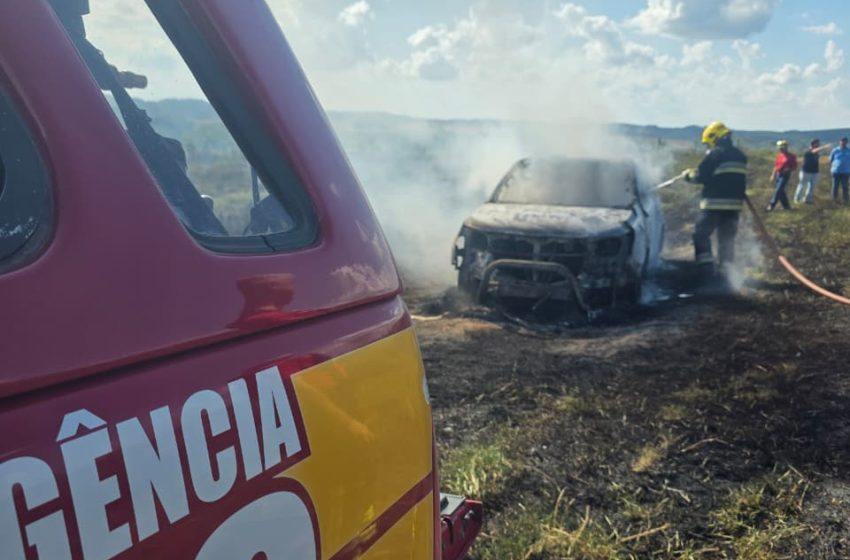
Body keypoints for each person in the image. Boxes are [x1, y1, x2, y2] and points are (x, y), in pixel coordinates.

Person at [683, 121, 747, 281]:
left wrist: (688, 175)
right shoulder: (740, 155)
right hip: (734, 207)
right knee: (726, 239)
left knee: (700, 235)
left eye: (708, 143)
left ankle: (705, 272)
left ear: (714, 137)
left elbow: (701, 176)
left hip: (713, 205)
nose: (708, 147)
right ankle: (727, 272)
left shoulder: (715, 154)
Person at [795, 139, 831, 204]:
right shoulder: (808, 151)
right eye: (817, 143)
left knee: (812, 187)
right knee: (802, 186)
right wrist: (824, 147)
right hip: (806, 172)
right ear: (813, 144)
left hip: (815, 172)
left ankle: (807, 199)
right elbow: (813, 151)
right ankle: (797, 199)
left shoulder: (817, 153)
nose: (818, 145)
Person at [767, 140, 797, 211]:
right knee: (781, 191)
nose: (780, 149)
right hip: (778, 175)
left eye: (781, 148)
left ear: (785, 147)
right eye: (779, 148)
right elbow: (776, 166)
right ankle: (786, 206)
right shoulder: (779, 156)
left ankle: (771, 205)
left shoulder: (791, 156)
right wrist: (773, 175)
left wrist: (788, 169)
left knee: (778, 190)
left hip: (785, 175)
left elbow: (794, 167)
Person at [831, 136, 850, 203]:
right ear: (839, 142)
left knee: (845, 187)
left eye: (844, 141)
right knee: (835, 186)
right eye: (842, 141)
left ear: (847, 142)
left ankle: (846, 200)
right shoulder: (835, 150)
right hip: (836, 171)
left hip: (846, 172)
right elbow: (831, 159)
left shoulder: (849, 150)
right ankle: (834, 200)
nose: (843, 142)